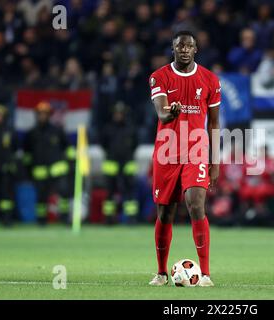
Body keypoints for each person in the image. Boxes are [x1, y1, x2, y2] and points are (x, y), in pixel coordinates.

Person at [148, 31, 221, 287]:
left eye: (189, 46)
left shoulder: (210, 80)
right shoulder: (160, 76)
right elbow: (162, 113)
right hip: (167, 152)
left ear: (196, 49)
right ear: (173, 49)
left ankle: (207, 274)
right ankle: (161, 272)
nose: (185, 50)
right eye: (180, 46)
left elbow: (213, 124)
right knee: (165, 213)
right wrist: (171, 112)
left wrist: (215, 163)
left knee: (196, 204)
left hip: (196, 150)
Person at [22, 101, 72, 225]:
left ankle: (65, 217)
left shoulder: (57, 131)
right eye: (40, 113)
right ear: (36, 115)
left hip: (58, 170)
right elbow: (27, 154)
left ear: (49, 115)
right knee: (41, 198)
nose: (42, 116)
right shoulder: (31, 133)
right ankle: (41, 219)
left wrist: (71, 163)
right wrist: (28, 170)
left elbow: (68, 148)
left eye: (45, 113)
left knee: (64, 194)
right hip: (40, 172)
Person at [100, 101, 139, 225]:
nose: (118, 116)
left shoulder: (130, 128)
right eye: (116, 113)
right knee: (110, 192)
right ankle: (109, 217)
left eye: (120, 113)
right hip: (111, 163)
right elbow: (103, 144)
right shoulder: (108, 128)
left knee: (129, 192)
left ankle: (131, 217)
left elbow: (135, 144)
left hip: (127, 163)